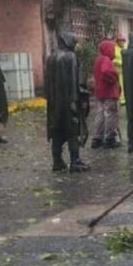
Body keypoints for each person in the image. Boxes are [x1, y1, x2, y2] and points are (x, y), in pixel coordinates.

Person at [45, 31, 89, 173]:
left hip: (54, 103)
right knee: (72, 132)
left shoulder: (51, 57)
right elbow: (75, 81)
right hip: (69, 101)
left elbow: (47, 83)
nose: (76, 45)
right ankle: (74, 161)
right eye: (75, 42)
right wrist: (78, 100)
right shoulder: (71, 57)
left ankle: (57, 161)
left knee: (56, 131)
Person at [91, 39, 122, 149]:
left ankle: (97, 138)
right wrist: (114, 79)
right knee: (110, 115)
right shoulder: (106, 60)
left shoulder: (98, 59)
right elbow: (106, 72)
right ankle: (110, 138)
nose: (114, 51)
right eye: (113, 49)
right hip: (109, 92)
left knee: (100, 114)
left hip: (100, 92)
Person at [114, 33, 126, 106]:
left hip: (124, 70)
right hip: (117, 70)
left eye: (123, 41)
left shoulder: (125, 48)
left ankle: (123, 99)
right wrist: (120, 62)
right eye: (120, 41)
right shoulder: (114, 49)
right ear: (117, 41)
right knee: (120, 85)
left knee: (123, 85)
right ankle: (121, 100)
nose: (122, 42)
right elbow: (113, 59)